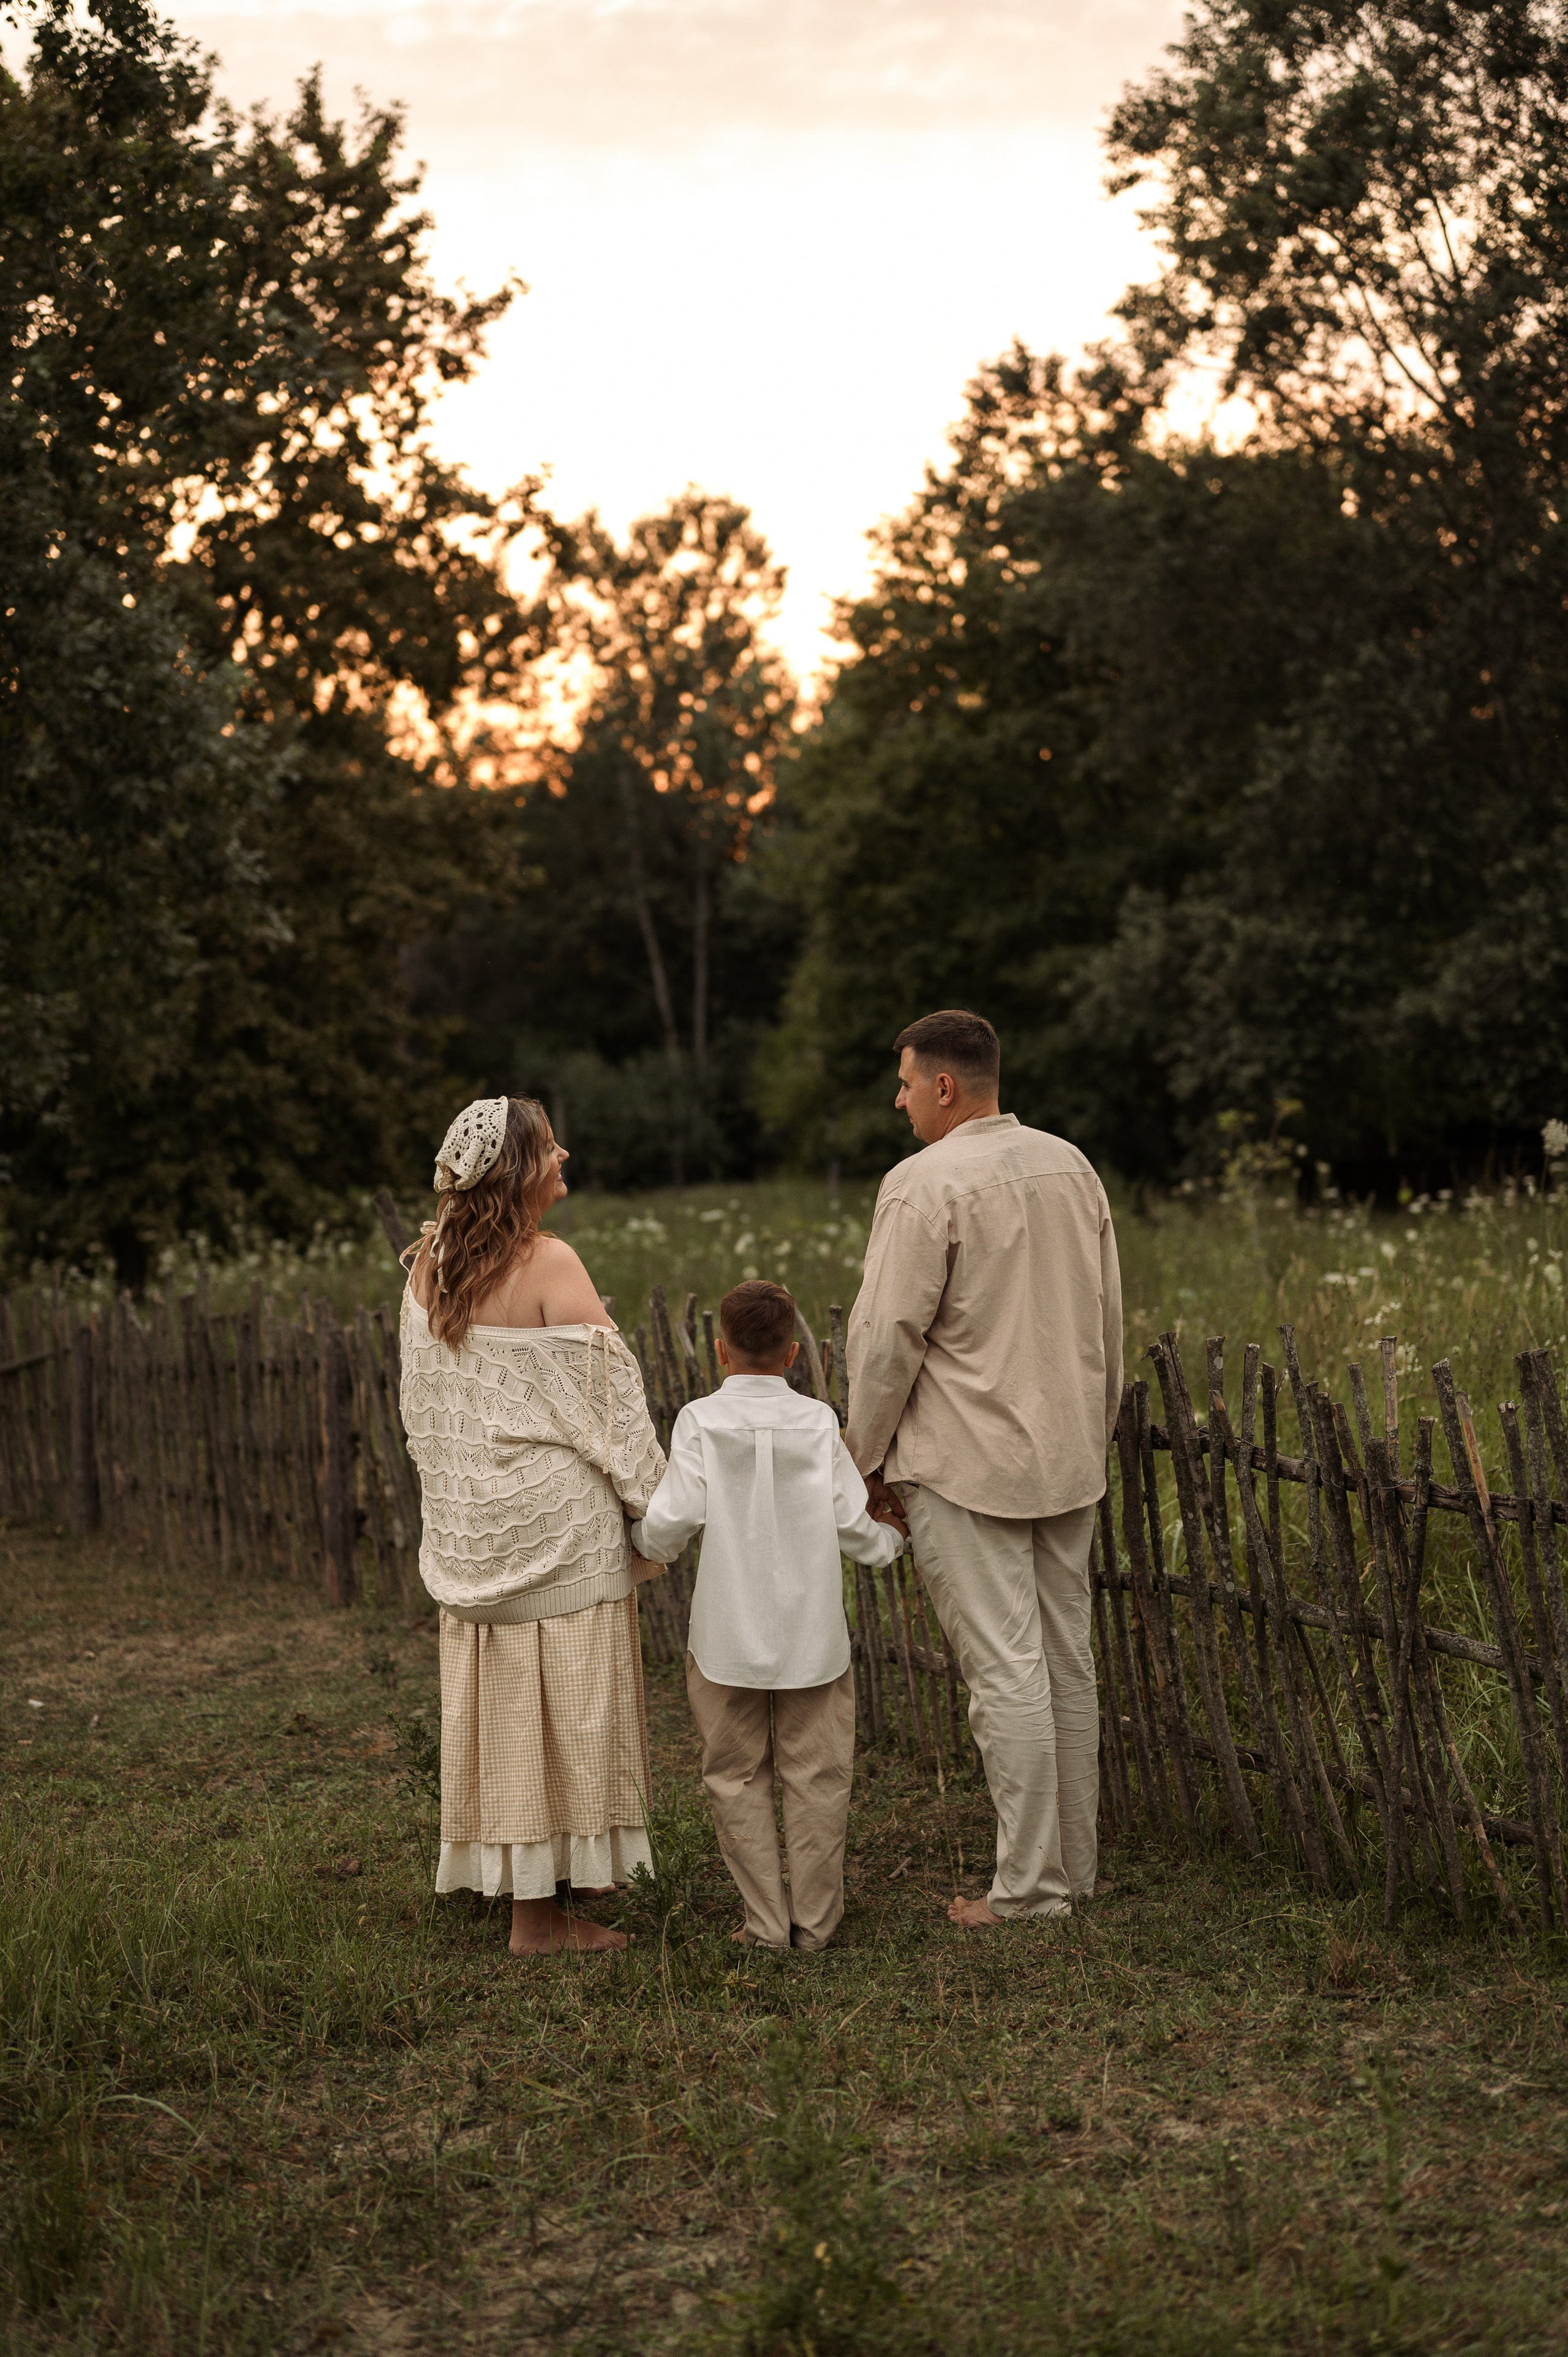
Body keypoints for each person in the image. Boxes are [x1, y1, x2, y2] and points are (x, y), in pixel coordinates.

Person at [844, 1010, 1122, 1928]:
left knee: (1007, 1673)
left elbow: (888, 1338)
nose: (899, 1099)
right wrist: (1096, 1426)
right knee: (1066, 1665)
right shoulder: (1070, 1166)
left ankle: (1032, 1892)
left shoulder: (923, 1184)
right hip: (1067, 1452)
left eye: (906, 1082)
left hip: (967, 1461)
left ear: (945, 1087)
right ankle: (1072, 1872)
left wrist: (864, 1457)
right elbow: (1108, 1320)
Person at [400, 1095, 667, 1956]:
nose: (564, 1157)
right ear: (517, 1173)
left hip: (479, 1532)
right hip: (555, 1532)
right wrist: (654, 1509)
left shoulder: (429, 1264)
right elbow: (612, 1410)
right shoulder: (551, 1263)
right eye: (549, 1149)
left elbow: (429, 1409)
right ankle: (540, 1923)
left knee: (510, 1715)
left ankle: (558, 1876)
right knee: (566, 1712)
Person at [630, 1279, 905, 1952]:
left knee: (734, 1774)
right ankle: (815, 1922)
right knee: (817, 1776)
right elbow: (852, 1522)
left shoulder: (698, 1419)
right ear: (791, 1355)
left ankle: (763, 1924)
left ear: (720, 1350)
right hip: (812, 1636)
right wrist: (892, 1541)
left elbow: (674, 1519)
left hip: (724, 1634)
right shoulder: (816, 1421)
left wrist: (641, 1542)